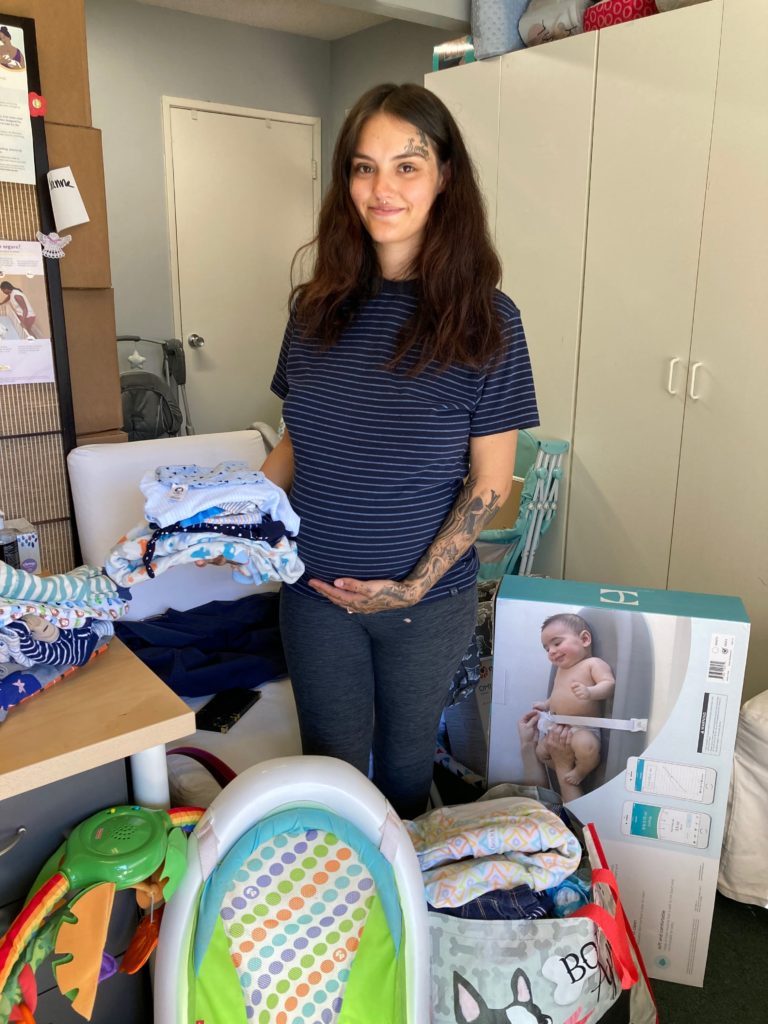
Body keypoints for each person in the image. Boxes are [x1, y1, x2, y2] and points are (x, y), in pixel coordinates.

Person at [256, 82, 539, 820]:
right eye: (363, 166)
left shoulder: (488, 322)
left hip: (426, 605)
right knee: (330, 771)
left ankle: (405, 915)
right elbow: (297, 439)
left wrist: (412, 587)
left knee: (408, 773)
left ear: (445, 176)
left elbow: (490, 484)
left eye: (406, 166)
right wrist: (238, 515)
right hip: (314, 597)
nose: (382, 188)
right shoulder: (313, 308)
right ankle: (342, 914)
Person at [531, 613, 616, 787]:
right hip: (558, 727)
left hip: (583, 727)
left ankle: (582, 769)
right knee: (540, 751)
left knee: (587, 746)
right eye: (547, 649)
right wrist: (546, 704)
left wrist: (590, 692)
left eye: (557, 643)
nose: (552, 651)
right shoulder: (561, 670)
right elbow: (557, 694)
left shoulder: (593, 664)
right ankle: (561, 765)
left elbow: (608, 684)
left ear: (584, 639)